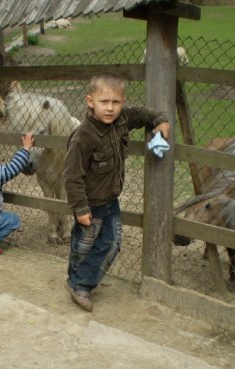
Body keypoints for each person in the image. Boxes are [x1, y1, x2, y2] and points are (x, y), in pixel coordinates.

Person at [63, 73, 171, 311]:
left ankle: (81, 283)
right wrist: (80, 208)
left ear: (123, 102)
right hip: (89, 204)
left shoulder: (121, 120)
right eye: (104, 102)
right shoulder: (83, 137)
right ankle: (76, 280)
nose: (110, 108)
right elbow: (72, 176)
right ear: (90, 101)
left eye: (116, 102)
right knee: (83, 245)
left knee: (112, 243)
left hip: (111, 201)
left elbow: (142, 114)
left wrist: (161, 122)